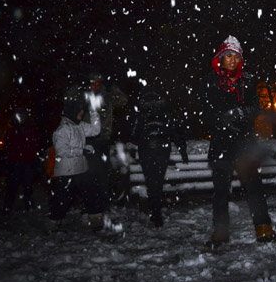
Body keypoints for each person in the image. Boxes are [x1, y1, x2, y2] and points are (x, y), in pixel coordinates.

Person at [199, 35, 276, 249]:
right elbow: (205, 112)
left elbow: (255, 107)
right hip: (221, 144)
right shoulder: (210, 81)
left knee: (255, 189)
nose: (232, 60)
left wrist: (240, 113)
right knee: (221, 192)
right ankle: (220, 236)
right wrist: (222, 119)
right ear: (221, 57)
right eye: (228, 56)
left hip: (244, 143)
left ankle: (264, 231)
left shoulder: (247, 79)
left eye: (236, 57)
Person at [66, 72, 128, 204]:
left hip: (102, 141)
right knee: (84, 174)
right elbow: (68, 99)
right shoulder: (83, 97)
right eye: (92, 83)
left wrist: (114, 88)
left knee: (101, 174)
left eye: (98, 83)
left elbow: (123, 101)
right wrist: (77, 86)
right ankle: (85, 203)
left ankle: (101, 203)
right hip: (86, 140)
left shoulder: (107, 97)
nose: (95, 86)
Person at [131, 87, 189, 227]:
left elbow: (133, 134)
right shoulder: (165, 112)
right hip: (161, 149)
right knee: (156, 181)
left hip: (147, 149)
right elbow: (174, 131)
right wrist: (182, 149)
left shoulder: (141, 113)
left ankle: (155, 212)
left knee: (152, 182)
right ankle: (156, 212)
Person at [48, 96, 102, 232]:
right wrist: (82, 150)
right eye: (79, 111)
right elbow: (62, 151)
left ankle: (96, 219)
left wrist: (94, 112)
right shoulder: (62, 130)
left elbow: (96, 130)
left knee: (91, 194)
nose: (81, 113)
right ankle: (53, 223)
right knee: (61, 199)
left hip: (81, 169)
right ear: (71, 111)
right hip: (66, 172)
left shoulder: (79, 125)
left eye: (82, 111)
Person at [2, 107, 41, 214]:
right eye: (19, 116)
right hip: (16, 163)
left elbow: (35, 145)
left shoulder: (30, 130)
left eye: (22, 116)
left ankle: (28, 205)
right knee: (12, 186)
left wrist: (34, 159)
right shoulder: (11, 131)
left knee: (27, 186)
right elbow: (7, 147)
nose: (21, 118)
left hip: (27, 162)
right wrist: (8, 161)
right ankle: (7, 207)